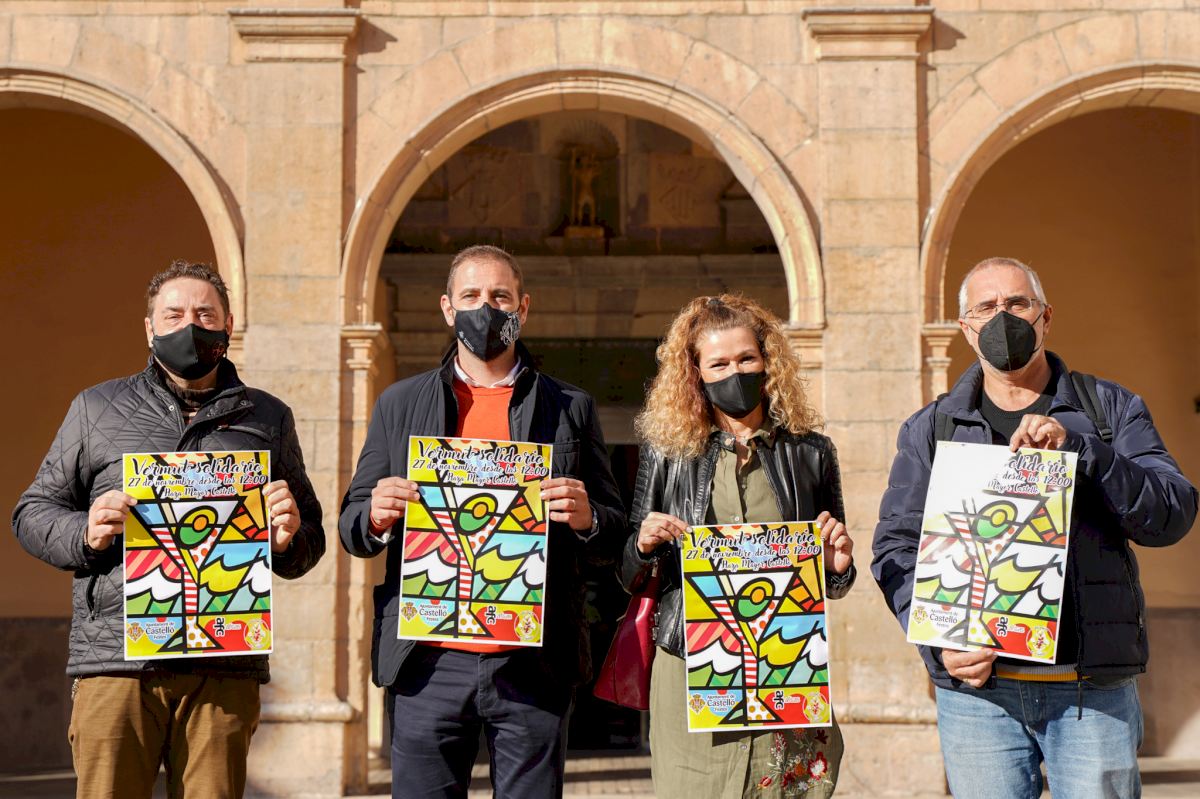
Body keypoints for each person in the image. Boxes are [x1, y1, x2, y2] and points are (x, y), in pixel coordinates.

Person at [872, 257, 1197, 799]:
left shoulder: (1108, 410)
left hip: (1090, 693)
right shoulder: (932, 428)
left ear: (1046, 317)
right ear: (966, 328)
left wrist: (1083, 451)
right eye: (986, 307)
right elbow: (896, 547)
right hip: (978, 700)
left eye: (1017, 303)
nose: (1003, 317)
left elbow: (1173, 512)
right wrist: (938, 644)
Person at [12, 260, 325, 799]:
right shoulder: (95, 408)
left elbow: (309, 536)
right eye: (174, 315)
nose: (190, 326)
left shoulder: (269, 417)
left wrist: (288, 538)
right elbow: (32, 512)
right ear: (149, 328)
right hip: (116, 662)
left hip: (223, 666)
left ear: (229, 325)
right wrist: (86, 531)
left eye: (205, 314)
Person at [338, 245, 626, 799]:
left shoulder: (570, 407)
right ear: (448, 308)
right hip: (427, 661)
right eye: (470, 296)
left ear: (524, 307)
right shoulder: (399, 403)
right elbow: (353, 525)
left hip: (532, 663)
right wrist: (374, 515)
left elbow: (614, 535)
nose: (485, 308)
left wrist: (589, 517)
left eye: (500, 296)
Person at [618, 294, 856, 799]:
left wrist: (836, 566)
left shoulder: (812, 453)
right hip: (690, 664)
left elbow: (832, 583)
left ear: (768, 361)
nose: (735, 372)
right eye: (719, 363)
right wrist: (642, 545)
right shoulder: (667, 454)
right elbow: (629, 576)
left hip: (785, 664)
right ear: (696, 374)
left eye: (746, 358)